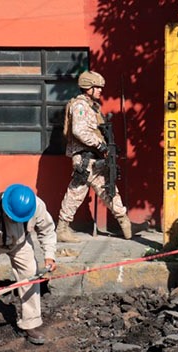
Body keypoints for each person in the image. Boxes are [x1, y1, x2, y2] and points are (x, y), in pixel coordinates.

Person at [0, 183, 58, 350]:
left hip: (20, 241)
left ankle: (30, 322)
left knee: (30, 273)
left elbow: (47, 229)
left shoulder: (35, 205)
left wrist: (49, 255)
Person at [56, 70, 131, 243]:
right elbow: (79, 130)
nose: (100, 90)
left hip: (93, 158)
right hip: (85, 158)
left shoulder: (92, 106)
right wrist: (99, 144)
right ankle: (62, 229)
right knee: (76, 193)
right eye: (97, 87)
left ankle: (125, 224)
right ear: (87, 87)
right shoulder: (80, 106)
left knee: (108, 188)